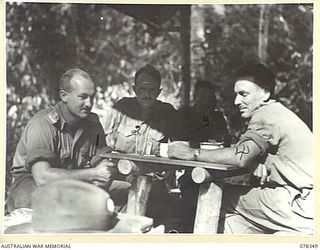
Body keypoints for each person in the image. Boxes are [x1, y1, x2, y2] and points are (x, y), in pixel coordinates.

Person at [168, 63, 313, 234]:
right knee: (234, 219)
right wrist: (259, 161)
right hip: (305, 203)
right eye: (236, 94)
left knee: (211, 195)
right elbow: (250, 152)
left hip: (300, 204)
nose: (237, 101)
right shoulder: (279, 112)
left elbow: (240, 156)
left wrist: (192, 153)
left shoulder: (265, 115)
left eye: (243, 94)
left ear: (266, 93)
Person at [7, 68, 130, 213]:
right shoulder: (42, 124)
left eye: (92, 97)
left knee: (129, 192)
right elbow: (42, 177)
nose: (89, 103)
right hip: (32, 187)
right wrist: (93, 174)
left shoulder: (93, 123)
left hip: (77, 184)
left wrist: (105, 169)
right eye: (82, 97)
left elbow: (102, 156)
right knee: (73, 204)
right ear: (64, 96)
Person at [103, 64, 183, 229]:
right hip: (120, 178)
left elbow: (183, 146)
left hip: (155, 182)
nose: (147, 94)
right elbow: (99, 141)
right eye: (142, 89)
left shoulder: (168, 113)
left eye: (152, 90)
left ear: (159, 92)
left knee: (164, 222)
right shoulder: (121, 108)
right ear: (134, 89)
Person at [177, 80, 230, 232]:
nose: (205, 101)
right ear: (195, 96)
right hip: (190, 165)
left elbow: (224, 139)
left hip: (215, 165)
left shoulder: (217, 116)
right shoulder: (184, 114)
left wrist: (209, 117)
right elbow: (182, 139)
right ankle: (188, 228)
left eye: (209, 97)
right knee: (191, 186)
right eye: (202, 96)